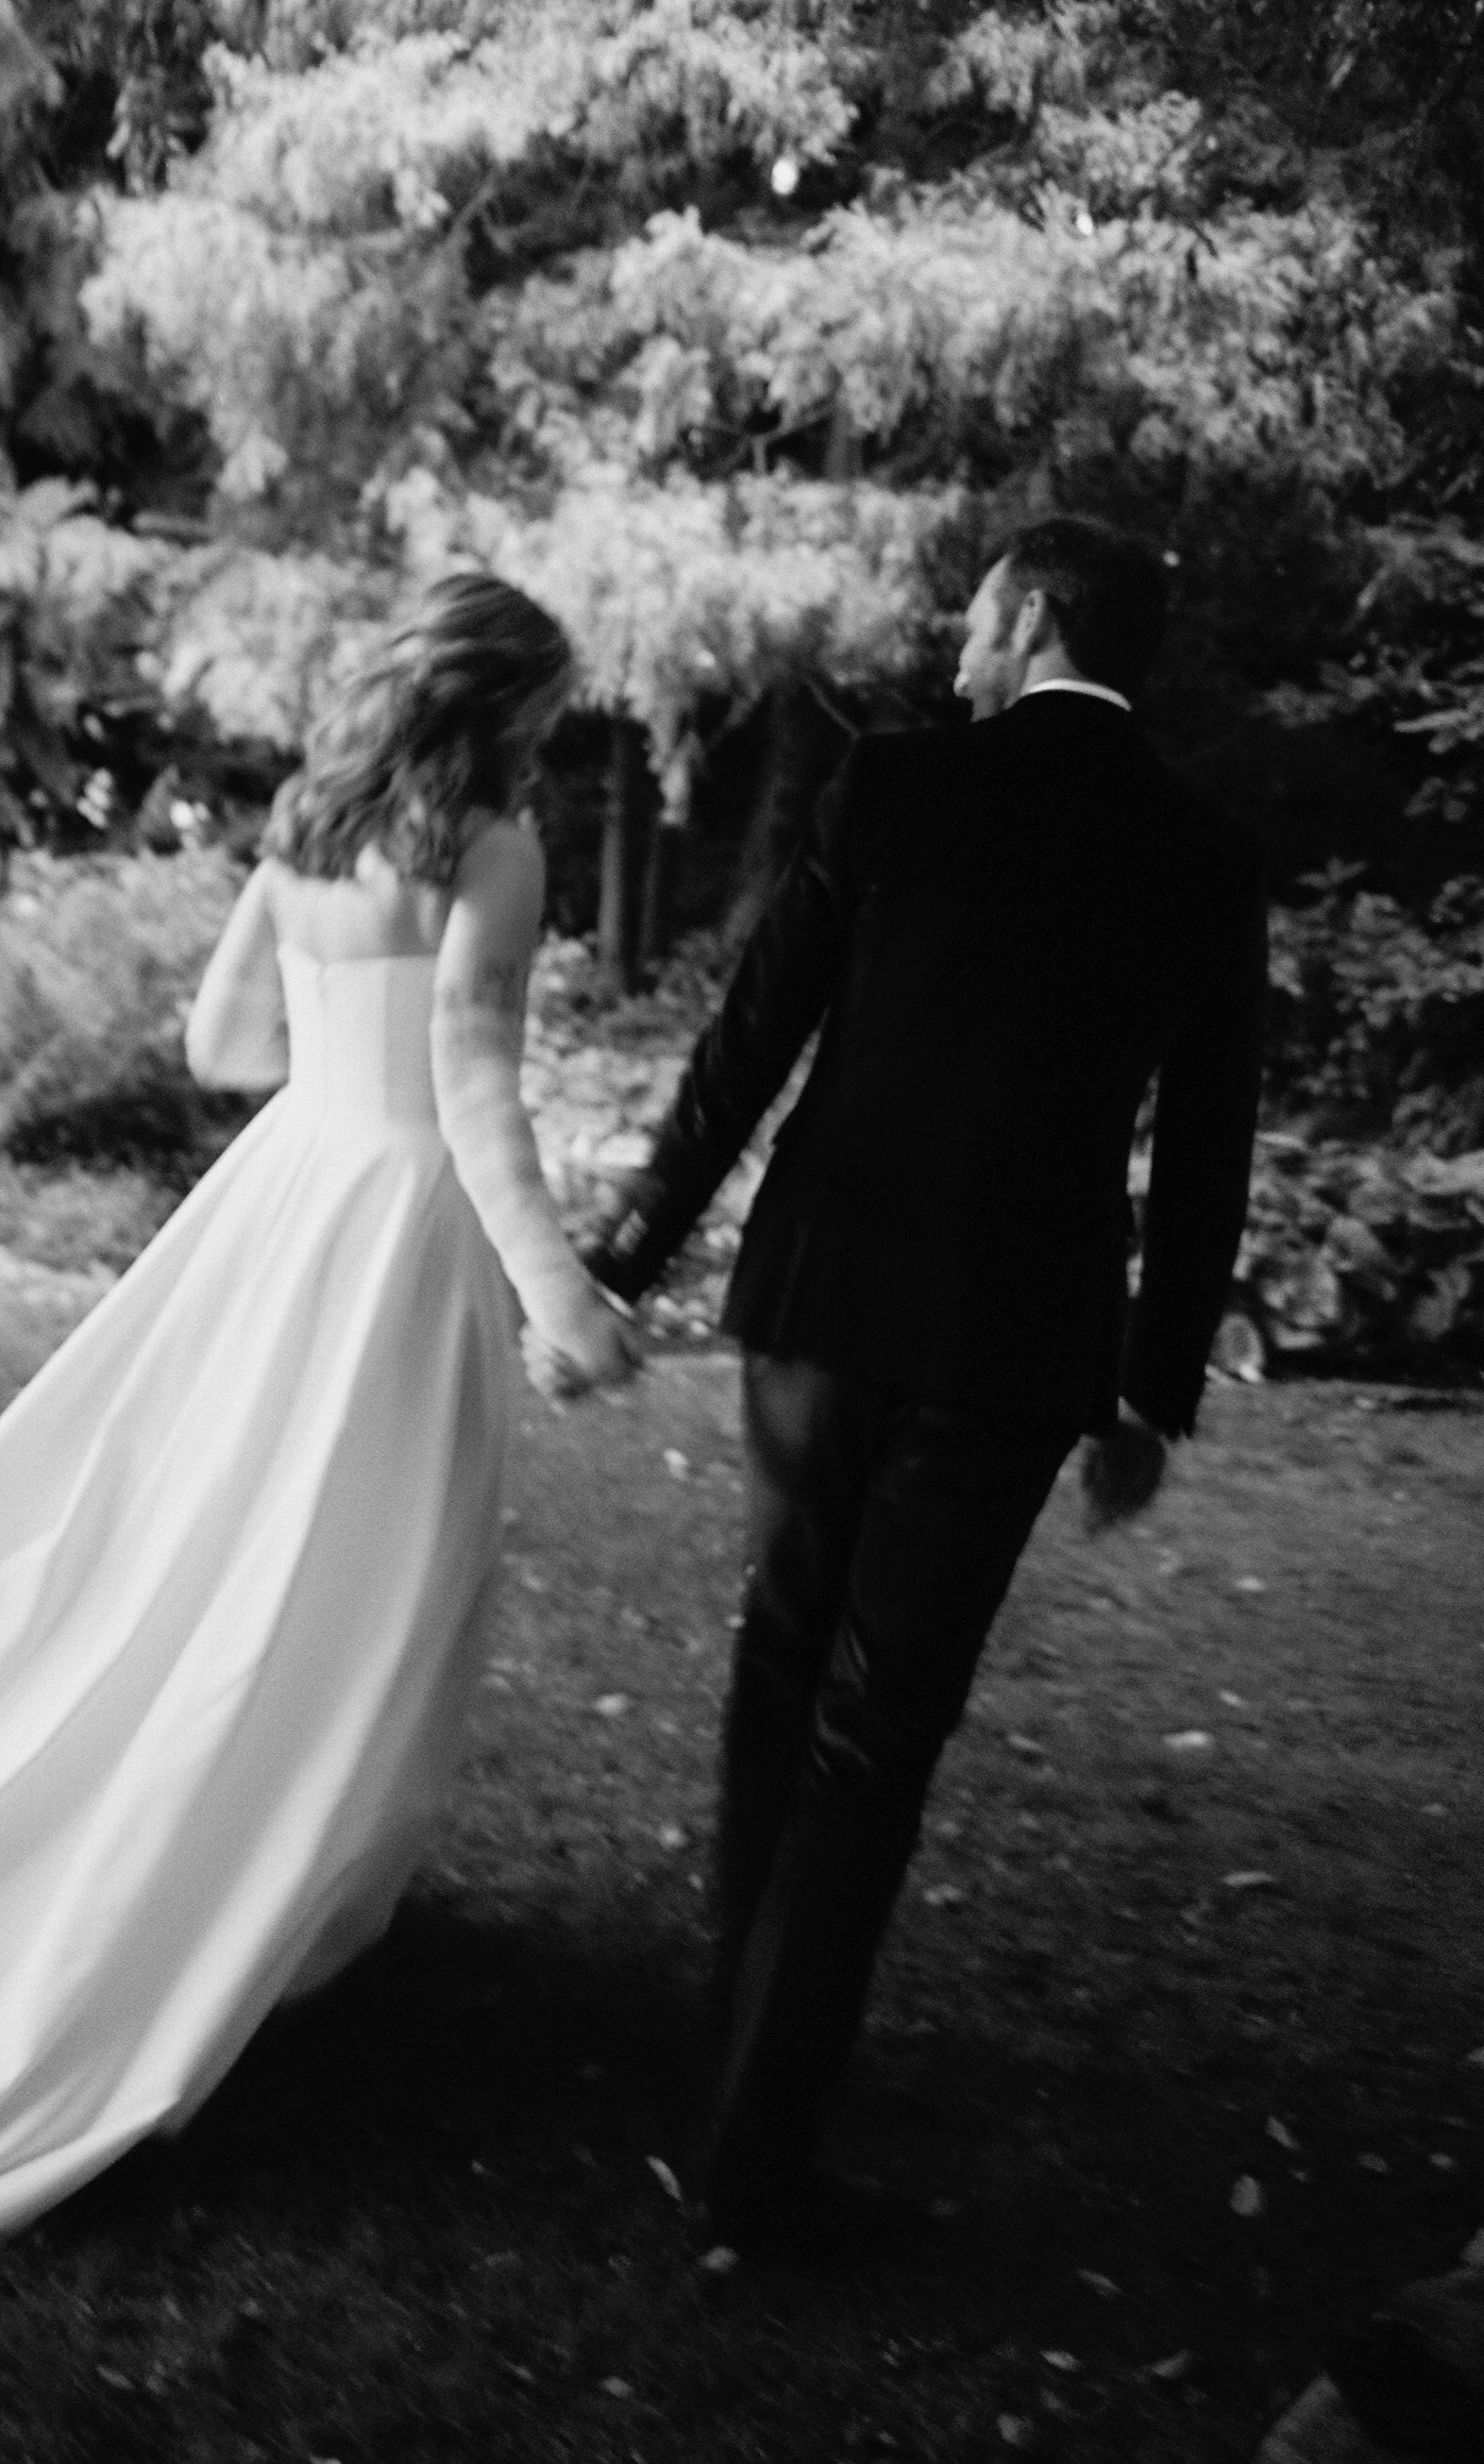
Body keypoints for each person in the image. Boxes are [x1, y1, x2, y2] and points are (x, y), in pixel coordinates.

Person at [0, 570, 635, 2310]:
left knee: (229, 1527)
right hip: (399, 1225)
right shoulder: (491, 849)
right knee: (379, 1564)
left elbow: (220, 1043)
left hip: (287, 1199)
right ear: (502, 705)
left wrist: (334, 1069)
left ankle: (247, 1845)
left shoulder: (306, 825)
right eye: (550, 704)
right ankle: (271, 1888)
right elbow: (475, 1082)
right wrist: (563, 1298)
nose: (555, 731)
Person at [582, 515, 1269, 2243]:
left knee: (781, 1655)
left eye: (972, 620)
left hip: (821, 1302)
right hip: (1018, 1344)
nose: (956, 651)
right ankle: (756, 2139)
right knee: (876, 1730)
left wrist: (636, 1244)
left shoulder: (893, 786)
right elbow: (1208, 1144)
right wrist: (1151, 1386)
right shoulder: (1202, 854)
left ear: (1029, 618)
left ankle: (731, 2059)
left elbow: (754, 1028)